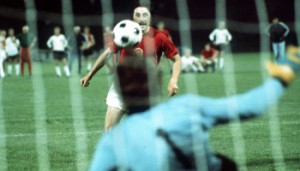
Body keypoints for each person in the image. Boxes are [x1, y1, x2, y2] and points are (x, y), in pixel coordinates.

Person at [88, 50, 300, 171]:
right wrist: (284, 74)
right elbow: (252, 106)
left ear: (119, 92)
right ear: (159, 81)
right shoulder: (187, 107)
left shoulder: (114, 141)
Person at [80, 6, 182, 132]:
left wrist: (174, 79)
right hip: (122, 85)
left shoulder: (160, 37)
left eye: (145, 15)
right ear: (133, 18)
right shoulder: (125, 34)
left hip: (146, 89)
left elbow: (177, 59)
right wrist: (90, 74)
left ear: (150, 17)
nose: (141, 19)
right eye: (138, 15)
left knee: (143, 132)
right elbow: (106, 55)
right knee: (109, 130)